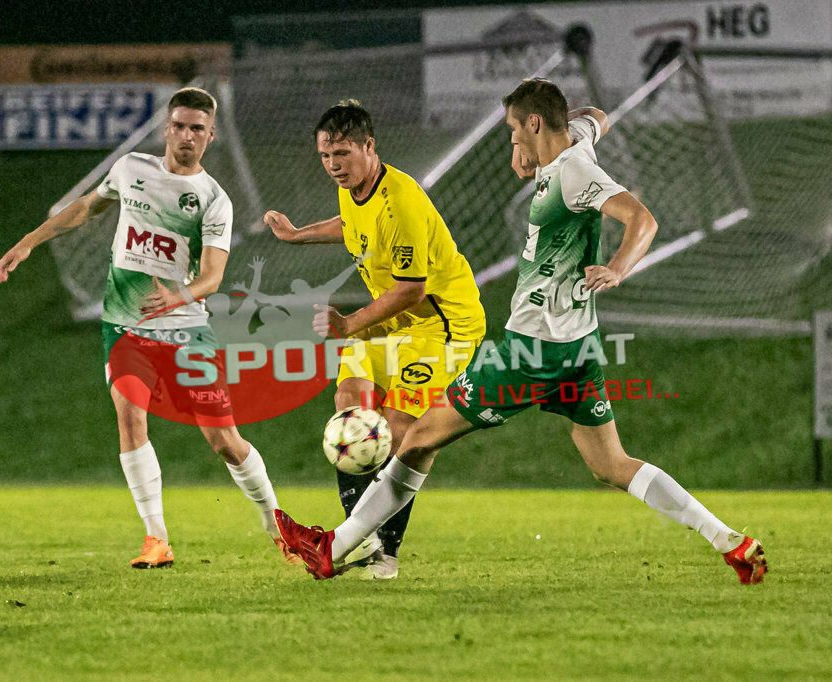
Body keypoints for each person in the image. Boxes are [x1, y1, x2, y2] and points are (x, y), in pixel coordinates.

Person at [275, 78, 768, 585]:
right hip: (578, 346)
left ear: (533, 123)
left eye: (514, 131)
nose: (512, 143)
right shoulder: (573, 142)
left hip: (533, 349)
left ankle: (334, 547)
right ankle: (730, 541)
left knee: (418, 438)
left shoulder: (575, 171)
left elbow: (641, 219)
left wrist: (618, 267)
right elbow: (597, 115)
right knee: (610, 464)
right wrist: (543, 146)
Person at [0, 87, 300, 569]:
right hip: (127, 326)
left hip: (186, 332)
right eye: (179, 125)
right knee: (129, 411)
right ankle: (156, 538)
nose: (186, 136)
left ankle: (275, 520)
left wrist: (178, 296)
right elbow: (85, 208)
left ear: (210, 136)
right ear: (166, 129)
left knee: (225, 442)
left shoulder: (213, 200)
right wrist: (29, 241)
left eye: (197, 129)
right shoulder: (131, 168)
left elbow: (214, 278)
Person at [264, 100, 487, 579]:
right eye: (325, 156)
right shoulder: (353, 189)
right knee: (351, 405)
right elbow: (352, 227)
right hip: (394, 323)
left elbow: (412, 288)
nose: (333, 165)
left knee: (403, 430)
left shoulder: (401, 199)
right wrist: (298, 235)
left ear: (370, 147)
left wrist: (350, 323)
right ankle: (358, 539)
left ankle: (385, 550)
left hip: (443, 325)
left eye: (342, 153)